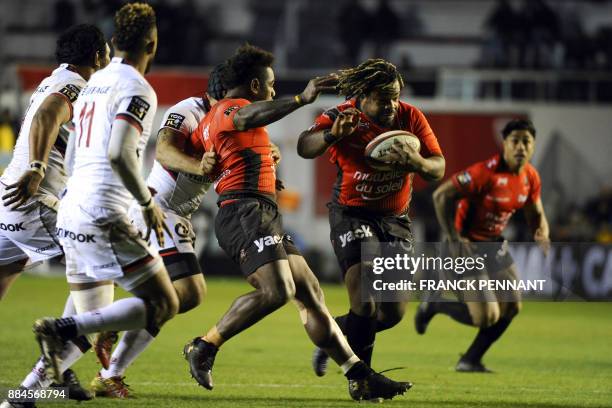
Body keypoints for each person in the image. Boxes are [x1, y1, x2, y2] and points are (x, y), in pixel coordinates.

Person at [182, 44, 411, 402]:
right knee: (278, 291)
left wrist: (263, 164)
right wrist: (302, 99)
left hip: (260, 212)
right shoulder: (231, 108)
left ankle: (358, 375)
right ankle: (205, 345)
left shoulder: (215, 120)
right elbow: (242, 120)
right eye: (270, 85)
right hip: (245, 213)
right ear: (255, 87)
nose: (274, 91)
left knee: (311, 294)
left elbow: (222, 150)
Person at [0, 4, 179, 408]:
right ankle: (62, 329)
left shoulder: (89, 84)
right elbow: (116, 151)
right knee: (167, 301)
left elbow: (79, 146)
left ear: (114, 43)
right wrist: (144, 201)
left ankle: (19, 397)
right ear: (152, 43)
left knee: (91, 311)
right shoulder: (130, 87)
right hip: (85, 210)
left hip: (65, 208)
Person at [297, 58, 445, 375]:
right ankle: (363, 379)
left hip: (394, 219)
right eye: (383, 99)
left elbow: (439, 167)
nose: (392, 105)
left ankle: (332, 334)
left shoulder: (410, 117)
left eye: (395, 96)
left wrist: (418, 163)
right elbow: (304, 147)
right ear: (363, 96)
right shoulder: (341, 116)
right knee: (365, 296)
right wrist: (331, 136)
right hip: (352, 214)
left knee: (391, 313)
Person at [0, 24, 110, 404]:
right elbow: (49, 114)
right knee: (99, 292)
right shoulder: (77, 87)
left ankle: (61, 368)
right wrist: (37, 166)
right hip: (33, 202)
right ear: (98, 56)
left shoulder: (51, 80)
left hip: (9, 202)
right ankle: (25, 392)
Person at [416, 119, 550, 372]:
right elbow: (441, 195)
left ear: (533, 146)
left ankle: (470, 359)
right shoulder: (484, 173)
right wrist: (454, 238)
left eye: (526, 141)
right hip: (465, 247)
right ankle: (435, 304)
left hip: (494, 245)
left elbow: (536, 211)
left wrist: (541, 231)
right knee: (487, 317)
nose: (521, 146)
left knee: (511, 307)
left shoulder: (530, 177)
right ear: (505, 144)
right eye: (515, 141)